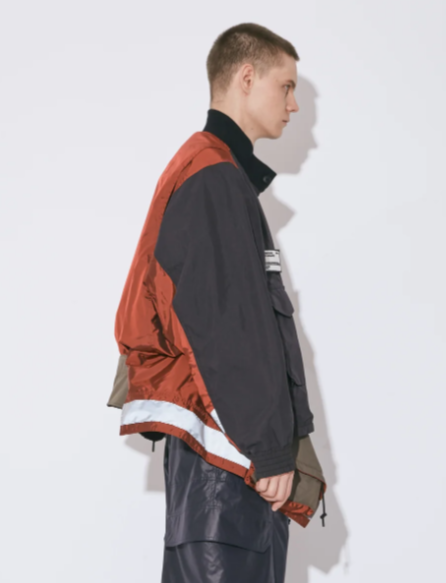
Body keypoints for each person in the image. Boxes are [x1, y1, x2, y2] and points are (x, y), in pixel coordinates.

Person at [107, 22, 320, 583]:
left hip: (215, 469)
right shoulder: (215, 178)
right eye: (286, 86)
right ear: (247, 77)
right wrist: (271, 452)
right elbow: (230, 326)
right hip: (230, 470)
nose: (294, 106)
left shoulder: (205, 168)